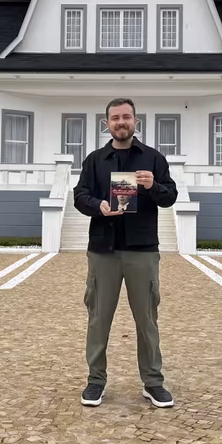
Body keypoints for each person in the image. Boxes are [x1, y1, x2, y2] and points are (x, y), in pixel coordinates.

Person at [73, 98, 178, 408]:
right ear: (107, 123)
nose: (121, 122)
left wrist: (153, 186)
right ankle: (96, 381)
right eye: (115, 117)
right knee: (98, 319)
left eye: (127, 117)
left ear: (135, 121)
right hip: (103, 250)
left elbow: (170, 197)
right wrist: (99, 206)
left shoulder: (153, 158)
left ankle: (153, 382)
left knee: (147, 320)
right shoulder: (94, 160)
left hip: (142, 250)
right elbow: (79, 196)